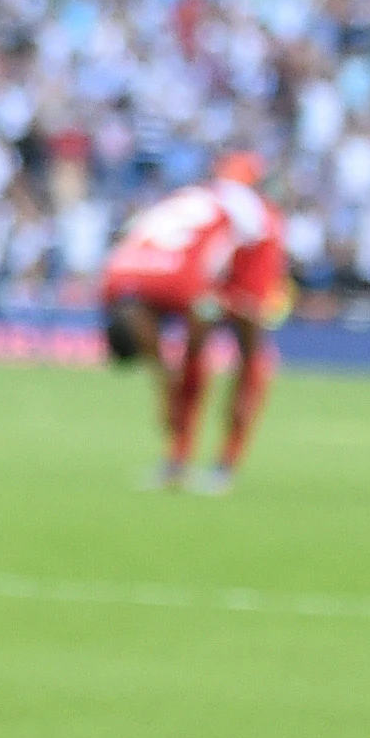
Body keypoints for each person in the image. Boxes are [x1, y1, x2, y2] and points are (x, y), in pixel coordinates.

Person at [99, 152, 290, 492]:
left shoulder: (116, 276)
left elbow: (194, 336)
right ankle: (187, 460)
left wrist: (166, 392)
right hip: (199, 262)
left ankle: (218, 461)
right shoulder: (123, 279)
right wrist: (164, 384)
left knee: (239, 348)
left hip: (250, 249)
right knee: (198, 354)